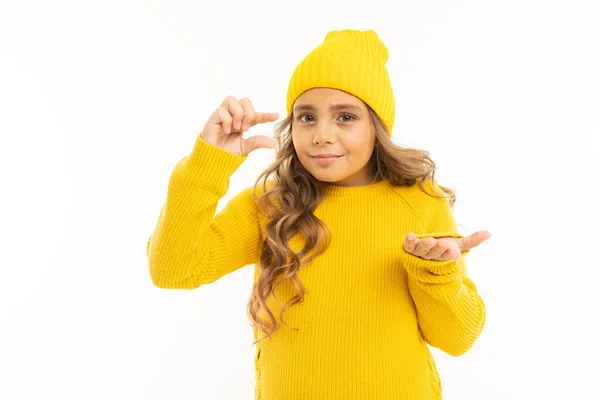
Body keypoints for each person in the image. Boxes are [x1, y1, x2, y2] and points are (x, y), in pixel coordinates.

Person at [146, 28, 492, 400]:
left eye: (345, 117)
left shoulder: (420, 202)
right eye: (307, 117)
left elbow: (458, 339)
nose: (321, 135)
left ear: (377, 128)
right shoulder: (271, 205)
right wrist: (206, 164)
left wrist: (436, 275)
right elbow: (172, 270)